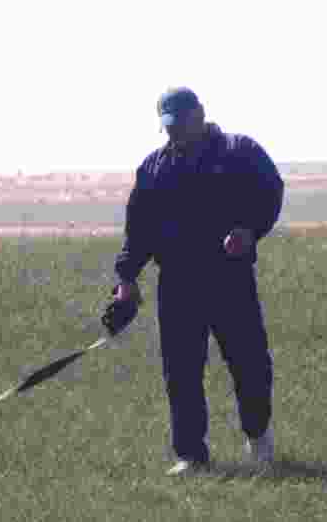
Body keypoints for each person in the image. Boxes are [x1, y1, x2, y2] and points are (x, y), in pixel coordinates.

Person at [109, 87, 284, 475]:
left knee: (251, 365)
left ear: (200, 114)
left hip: (230, 279)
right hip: (177, 284)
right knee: (181, 373)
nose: (174, 133)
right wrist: (126, 277)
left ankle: (259, 439)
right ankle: (190, 455)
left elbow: (271, 193)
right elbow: (139, 230)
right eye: (168, 126)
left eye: (181, 124)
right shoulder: (154, 168)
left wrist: (250, 231)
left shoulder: (239, 152)